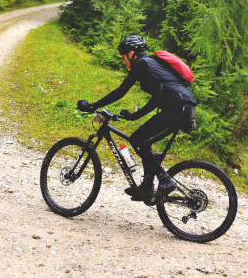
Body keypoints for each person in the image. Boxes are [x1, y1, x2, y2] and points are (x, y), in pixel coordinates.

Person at [77, 35, 196, 204]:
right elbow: (155, 100)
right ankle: (147, 187)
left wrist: (92, 106)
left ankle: (165, 180)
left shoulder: (142, 63)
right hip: (184, 107)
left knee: (137, 139)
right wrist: (133, 117)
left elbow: (120, 91)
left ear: (131, 53)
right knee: (144, 142)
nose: (123, 60)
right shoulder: (152, 66)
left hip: (177, 107)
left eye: (123, 56)